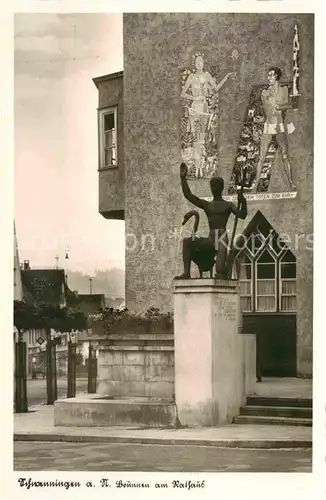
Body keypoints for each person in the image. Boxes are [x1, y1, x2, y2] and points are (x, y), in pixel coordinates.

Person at [175, 162, 247, 279]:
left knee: (219, 271)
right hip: (211, 239)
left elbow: (242, 215)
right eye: (212, 186)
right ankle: (186, 272)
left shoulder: (228, 205)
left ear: (221, 188)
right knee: (187, 242)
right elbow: (189, 195)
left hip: (222, 238)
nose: (214, 189)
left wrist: (243, 201)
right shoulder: (207, 205)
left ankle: (221, 272)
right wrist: (183, 178)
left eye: (216, 186)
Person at [181, 55, 235, 178]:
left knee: (201, 139)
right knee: (195, 139)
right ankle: (197, 168)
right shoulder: (191, 77)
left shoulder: (207, 75)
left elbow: (215, 89)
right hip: (194, 108)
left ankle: (201, 168)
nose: (199, 63)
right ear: (194, 64)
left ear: (203, 63)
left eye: (201, 61)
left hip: (204, 108)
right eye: (196, 61)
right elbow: (183, 93)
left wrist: (225, 78)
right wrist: (194, 97)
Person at [254, 67, 296, 191]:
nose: (269, 77)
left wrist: (279, 106)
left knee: (284, 156)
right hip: (269, 125)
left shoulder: (283, 90)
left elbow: (289, 105)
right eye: (268, 75)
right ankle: (255, 186)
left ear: (277, 76)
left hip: (279, 125)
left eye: (271, 75)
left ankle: (291, 183)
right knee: (261, 157)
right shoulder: (265, 92)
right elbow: (266, 110)